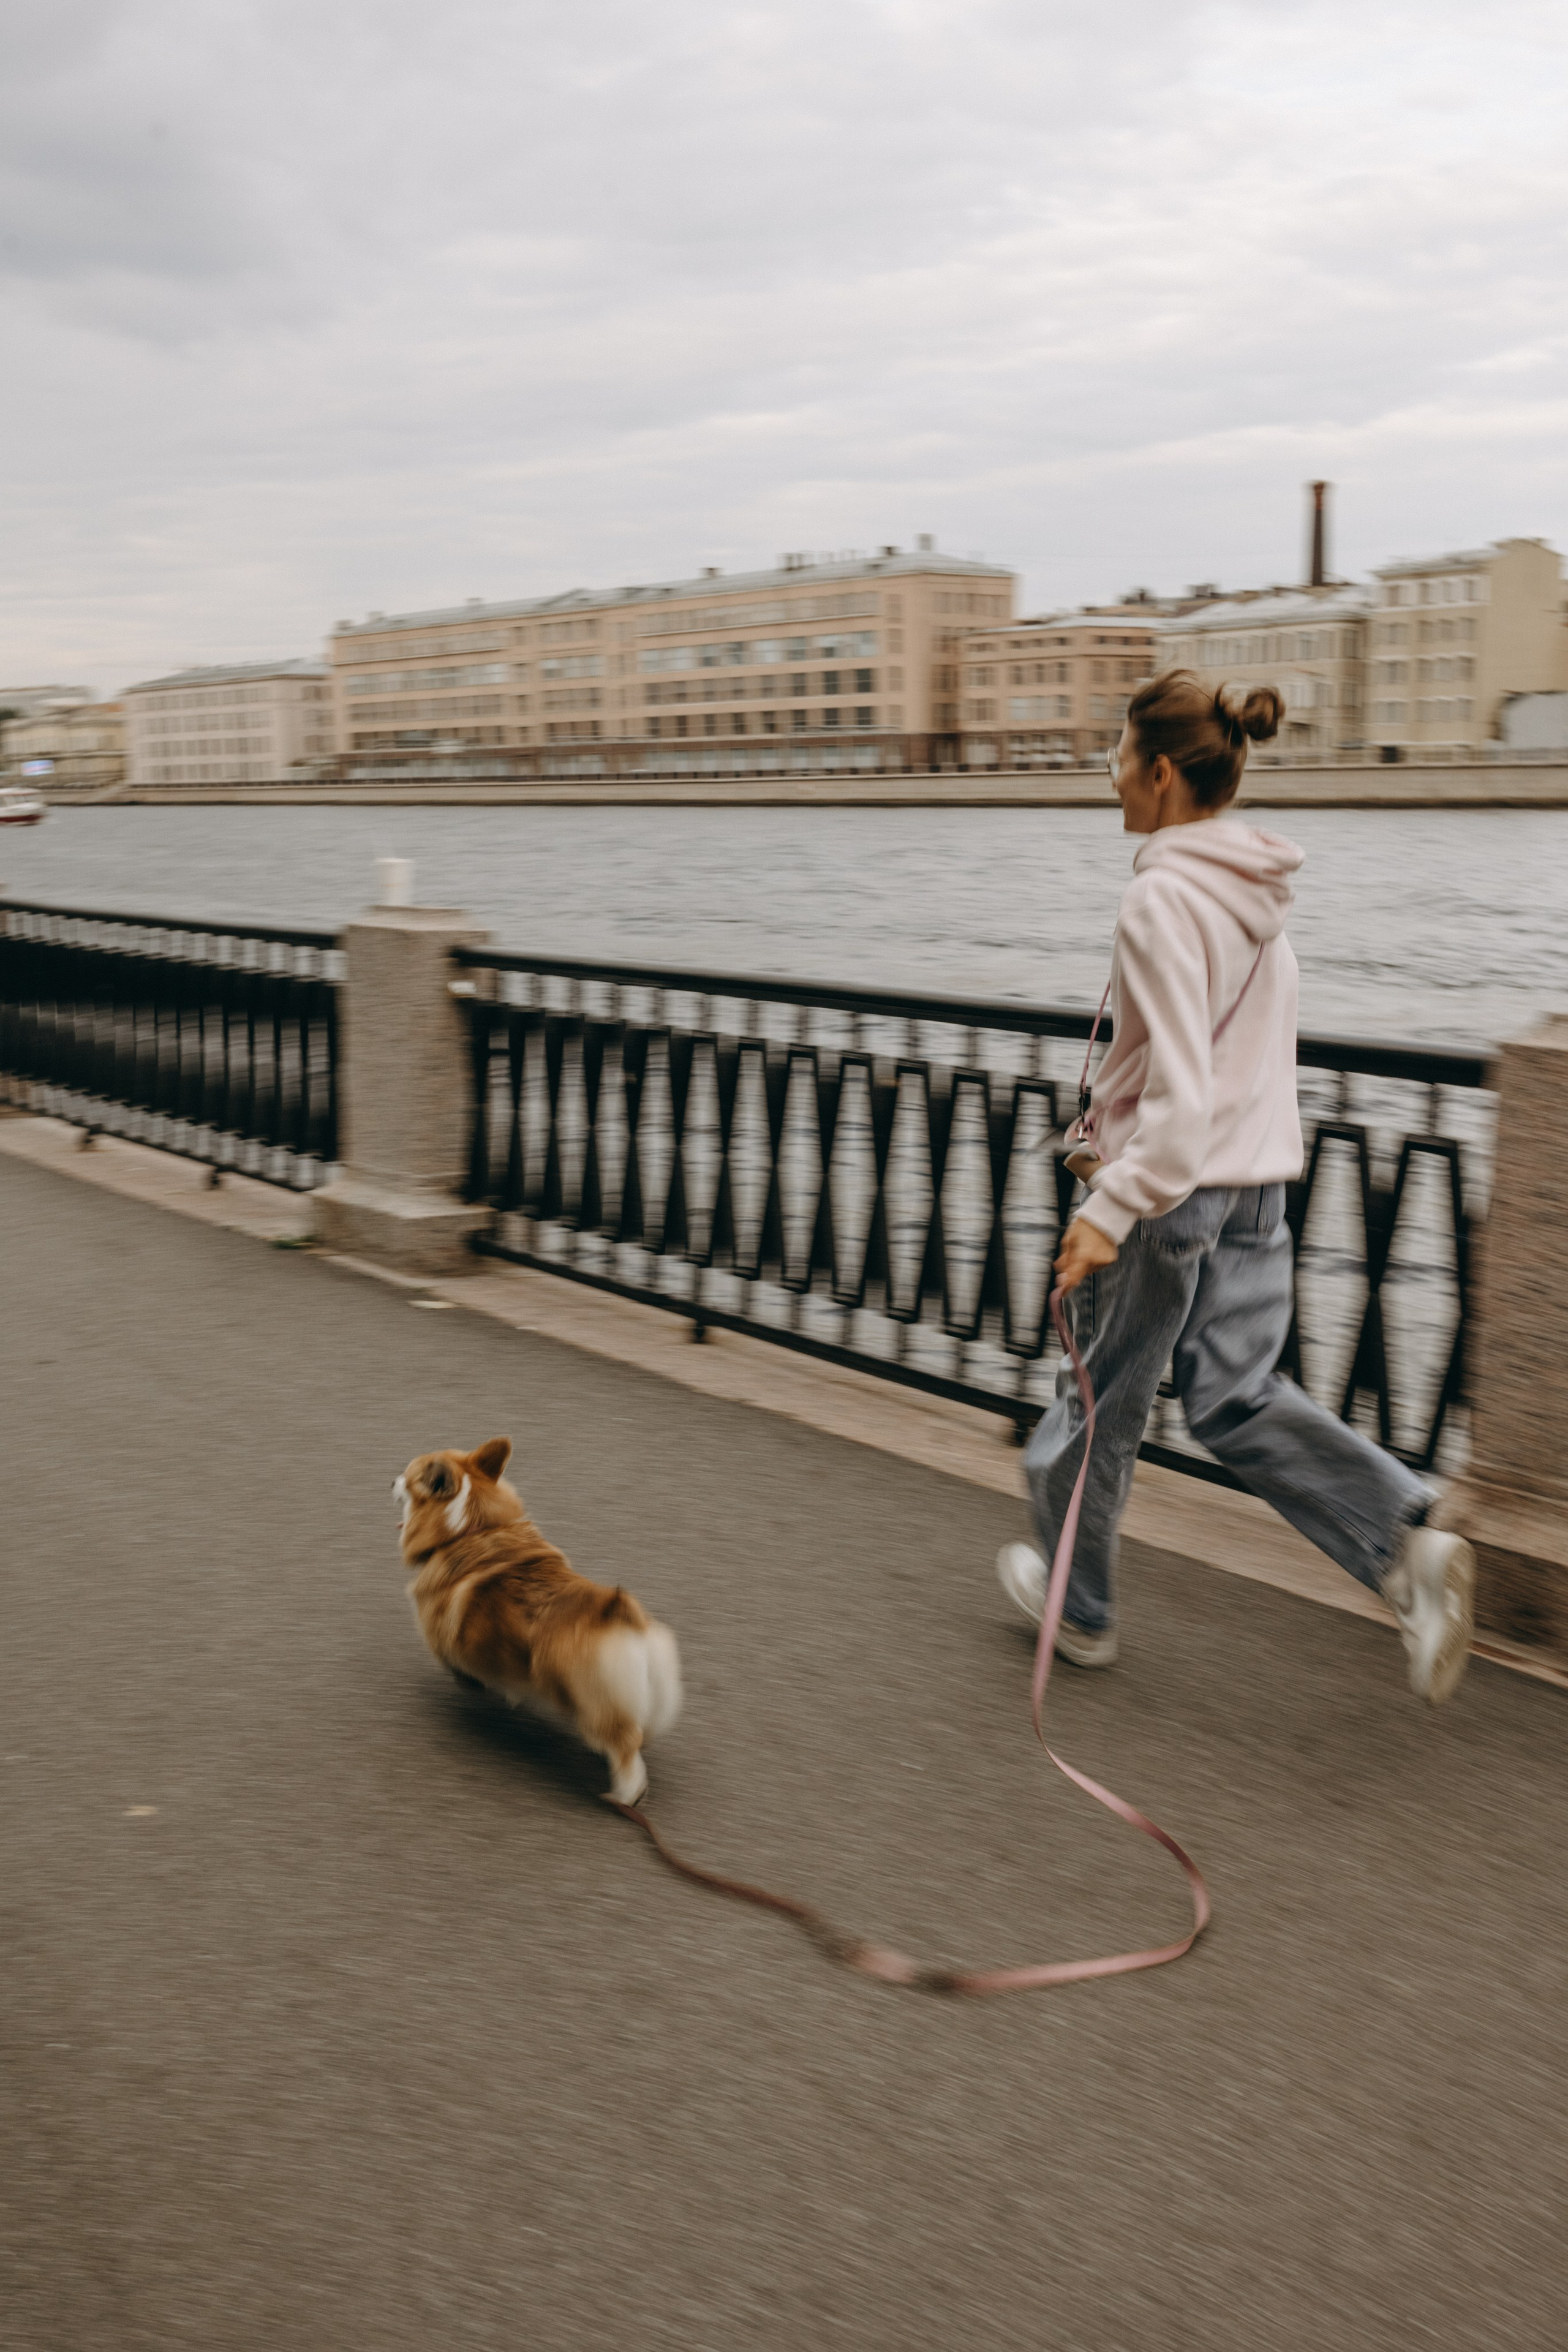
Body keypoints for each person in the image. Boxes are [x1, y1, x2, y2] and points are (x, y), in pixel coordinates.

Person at [996, 672, 1476, 1704]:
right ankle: (1401, 1541)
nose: (1113, 779)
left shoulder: (1161, 898)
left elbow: (1180, 1091)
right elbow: (1244, 1069)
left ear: (1162, 773)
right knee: (1237, 1396)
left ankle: (1077, 1612)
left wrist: (1108, 1211)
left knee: (1097, 1405)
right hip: (1261, 1184)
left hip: (1175, 1192)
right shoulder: (1258, 899)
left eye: (1120, 758)